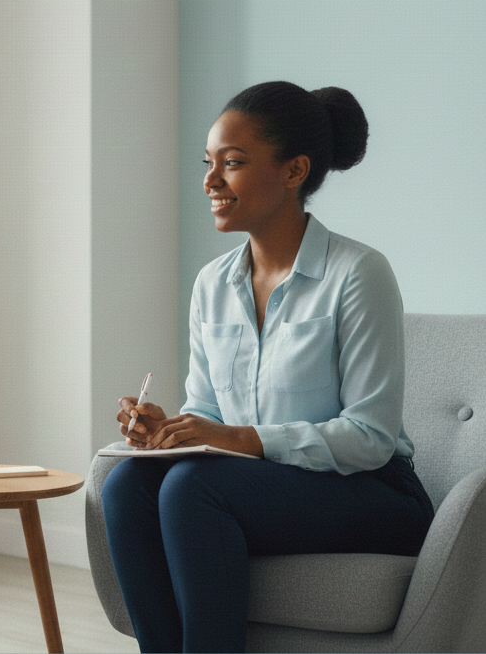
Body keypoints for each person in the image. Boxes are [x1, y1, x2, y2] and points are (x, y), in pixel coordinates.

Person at [100, 81, 435, 653]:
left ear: (294, 170)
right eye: (208, 164)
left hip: (372, 492)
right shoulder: (213, 284)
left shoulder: (358, 273)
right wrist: (169, 428)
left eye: (232, 164)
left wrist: (235, 438)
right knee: (127, 482)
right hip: (260, 484)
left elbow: (371, 438)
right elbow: (207, 406)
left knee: (190, 489)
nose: (210, 181)